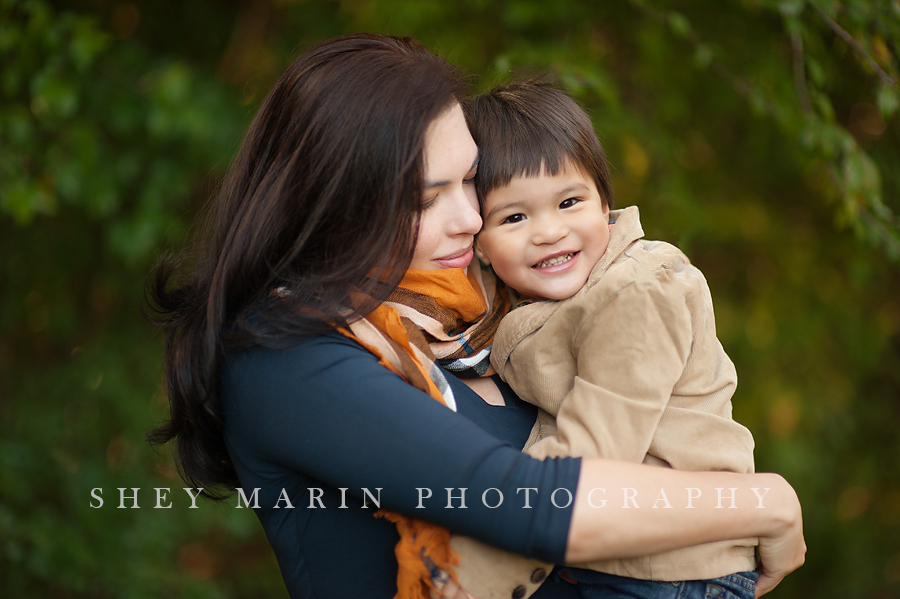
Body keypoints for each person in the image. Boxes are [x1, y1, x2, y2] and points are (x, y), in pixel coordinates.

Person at [147, 33, 805, 599]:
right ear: (339, 202)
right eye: (428, 197)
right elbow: (524, 501)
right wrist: (761, 502)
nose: (469, 217)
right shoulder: (285, 356)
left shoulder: (474, 324)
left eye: (469, 180)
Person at [467, 81, 762, 599]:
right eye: (514, 217)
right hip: (619, 556)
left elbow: (596, 454)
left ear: (604, 201)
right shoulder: (526, 309)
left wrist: (472, 567)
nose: (549, 231)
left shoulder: (637, 291)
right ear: (482, 247)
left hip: (676, 568)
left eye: (569, 201)